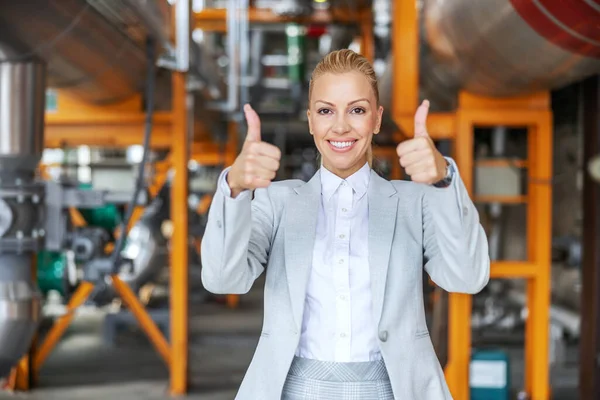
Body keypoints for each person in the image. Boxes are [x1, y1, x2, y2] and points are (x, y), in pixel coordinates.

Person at [201, 49, 490, 400]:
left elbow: (468, 277)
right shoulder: (276, 202)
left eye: (357, 110)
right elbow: (222, 279)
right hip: (293, 391)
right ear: (310, 120)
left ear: (377, 119)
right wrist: (235, 188)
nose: (340, 126)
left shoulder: (414, 201)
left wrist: (444, 181)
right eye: (325, 111)